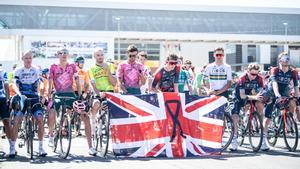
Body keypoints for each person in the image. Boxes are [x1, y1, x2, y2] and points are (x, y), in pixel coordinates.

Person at [47, 49, 96, 155]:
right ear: (57, 55)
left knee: (85, 116)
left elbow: (77, 82)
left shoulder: (72, 66)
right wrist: (49, 96)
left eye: (65, 53)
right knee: (51, 112)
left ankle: (91, 147)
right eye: (61, 53)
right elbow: (50, 82)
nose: (63, 55)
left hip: (71, 95)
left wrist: (79, 96)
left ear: (68, 56)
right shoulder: (53, 67)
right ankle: (51, 135)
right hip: (58, 94)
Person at [10, 51, 47, 157]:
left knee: (40, 119)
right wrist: (19, 94)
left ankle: (41, 147)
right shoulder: (18, 70)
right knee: (17, 120)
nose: (28, 60)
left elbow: (41, 83)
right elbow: (14, 85)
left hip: (35, 97)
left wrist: (42, 93)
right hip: (22, 97)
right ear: (22, 59)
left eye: (30, 58)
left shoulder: (36, 70)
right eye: (26, 58)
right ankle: (12, 147)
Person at [261, 52, 300, 151]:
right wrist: (277, 95)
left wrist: (297, 97)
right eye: (284, 60)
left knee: (292, 102)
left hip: (284, 91)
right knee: (267, 117)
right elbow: (274, 83)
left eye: (287, 59)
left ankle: (288, 119)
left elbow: (295, 86)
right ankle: (263, 140)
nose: (286, 61)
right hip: (272, 91)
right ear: (279, 61)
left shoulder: (293, 72)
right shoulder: (275, 70)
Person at [229, 63, 265, 151]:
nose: (254, 76)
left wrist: (261, 97)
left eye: (256, 74)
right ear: (248, 71)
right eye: (252, 74)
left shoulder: (259, 78)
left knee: (260, 104)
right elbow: (242, 96)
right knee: (235, 117)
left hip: (251, 96)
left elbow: (261, 92)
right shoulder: (242, 78)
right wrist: (254, 96)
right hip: (239, 97)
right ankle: (234, 138)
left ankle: (260, 127)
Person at [88, 48, 116, 136]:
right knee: (96, 104)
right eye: (98, 55)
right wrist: (98, 93)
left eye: (101, 55)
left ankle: (109, 126)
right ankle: (93, 124)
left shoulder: (110, 66)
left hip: (109, 91)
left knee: (113, 109)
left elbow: (114, 83)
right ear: (94, 56)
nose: (100, 57)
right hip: (98, 92)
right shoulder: (91, 69)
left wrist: (107, 71)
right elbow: (92, 84)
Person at [73, 56, 90, 137]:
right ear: (76, 63)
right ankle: (65, 126)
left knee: (81, 111)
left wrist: (85, 93)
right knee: (71, 110)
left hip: (82, 93)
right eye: (81, 62)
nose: (82, 64)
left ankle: (78, 130)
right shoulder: (73, 72)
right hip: (74, 92)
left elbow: (87, 84)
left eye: (83, 62)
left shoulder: (84, 72)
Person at [0, 66, 11, 154]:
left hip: (2, 99)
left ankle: (11, 146)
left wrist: (8, 98)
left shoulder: (2, 71)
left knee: (6, 122)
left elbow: (6, 85)